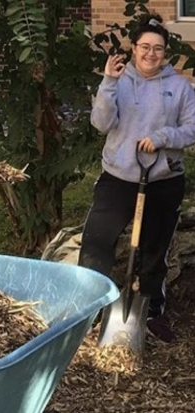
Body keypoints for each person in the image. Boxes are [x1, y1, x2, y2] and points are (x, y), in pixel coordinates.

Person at [78, 14, 195, 343]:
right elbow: (100, 123)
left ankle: (151, 312)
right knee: (97, 242)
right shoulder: (117, 80)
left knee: (155, 249)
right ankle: (87, 311)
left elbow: (192, 127)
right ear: (134, 48)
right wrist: (108, 82)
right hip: (118, 178)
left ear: (165, 52)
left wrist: (163, 137)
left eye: (158, 48)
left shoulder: (179, 87)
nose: (151, 53)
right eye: (145, 46)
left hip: (163, 179)